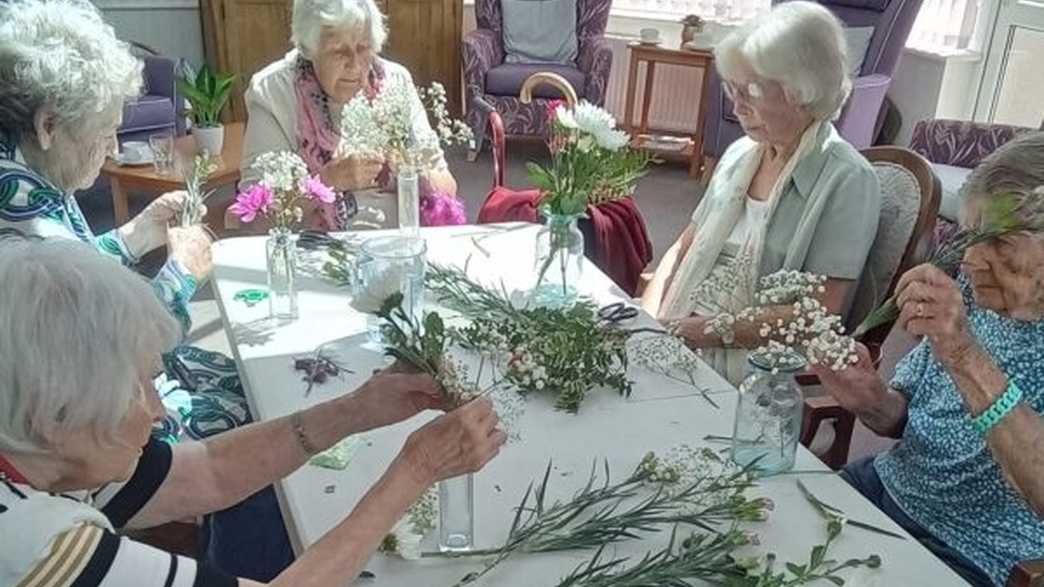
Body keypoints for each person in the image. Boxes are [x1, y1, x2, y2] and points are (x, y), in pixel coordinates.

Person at [0, 237, 505, 587]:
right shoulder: (32, 546)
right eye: (137, 390)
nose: (158, 412)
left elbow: (207, 474)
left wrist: (356, 409)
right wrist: (416, 470)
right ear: (56, 412)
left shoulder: (43, 452)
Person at [0, 0, 284, 577]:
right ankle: (235, 559)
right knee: (257, 409)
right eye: (102, 134)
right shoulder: (28, 226)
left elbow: (74, 288)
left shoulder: (21, 181)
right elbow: (109, 349)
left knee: (259, 379)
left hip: (56, 399)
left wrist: (134, 234)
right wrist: (181, 272)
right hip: (69, 421)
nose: (108, 151)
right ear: (50, 125)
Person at [811, 133, 1044, 587]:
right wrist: (871, 398)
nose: (972, 259)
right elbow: (901, 420)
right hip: (883, 488)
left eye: (998, 242)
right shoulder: (973, 302)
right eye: (969, 234)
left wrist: (962, 353)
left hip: (976, 550)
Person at [640, 1, 881, 385]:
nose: (737, 106)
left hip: (755, 363)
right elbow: (682, 251)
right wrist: (648, 319)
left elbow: (817, 313)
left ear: (800, 90)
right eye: (731, 89)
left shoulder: (848, 180)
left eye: (750, 91)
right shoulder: (739, 155)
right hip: (679, 327)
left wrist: (692, 332)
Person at [241, 0, 459, 231]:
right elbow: (255, 217)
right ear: (308, 49)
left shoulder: (396, 82)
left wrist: (411, 169)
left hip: (400, 246)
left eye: (363, 48)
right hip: (316, 253)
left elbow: (448, 189)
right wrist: (328, 181)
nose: (355, 65)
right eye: (338, 51)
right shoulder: (273, 92)